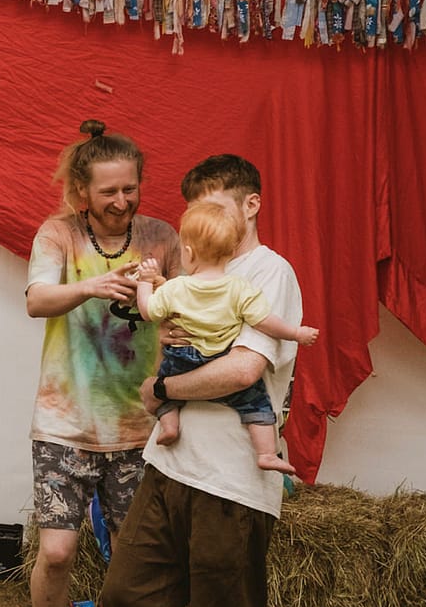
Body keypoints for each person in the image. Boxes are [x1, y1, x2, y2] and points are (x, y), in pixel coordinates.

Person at [100, 154, 303, 607]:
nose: (207, 217)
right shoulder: (192, 274)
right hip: (171, 465)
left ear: (251, 205)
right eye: (199, 207)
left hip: (235, 479)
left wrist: (161, 394)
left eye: (220, 203)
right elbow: (168, 337)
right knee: (124, 595)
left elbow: (244, 370)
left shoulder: (270, 273)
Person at [22, 120, 177, 607]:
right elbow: (37, 300)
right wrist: (92, 287)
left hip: (138, 427)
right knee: (58, 552)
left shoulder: (162, 237)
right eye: (109, 192)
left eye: (130, 189)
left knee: (132, 565)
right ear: (81, 192)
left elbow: (188, 318)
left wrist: (163, 295)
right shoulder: (58, 235)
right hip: (63, 422)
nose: (122, 202)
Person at [132, 200, 318, 473]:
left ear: (188, 252)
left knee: (164, 389)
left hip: (183, 357)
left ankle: (170, 425)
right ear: (231, 252)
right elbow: (264, 322)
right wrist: (295, 332)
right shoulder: (240, 288)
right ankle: (267, 452)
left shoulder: (178, 288)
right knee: (256, 402)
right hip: (219, 356)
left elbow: (148, 311)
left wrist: (144, 282)